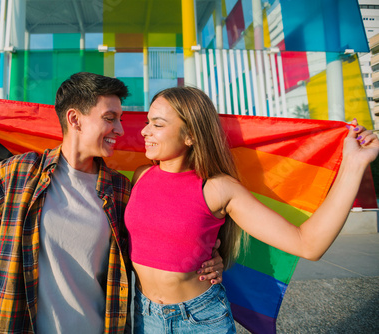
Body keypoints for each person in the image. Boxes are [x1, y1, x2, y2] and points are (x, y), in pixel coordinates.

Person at [0, 73, 224, 333]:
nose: (120, 130)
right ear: (74, 119)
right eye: (110, 118)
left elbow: (162, 240)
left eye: (119, 118)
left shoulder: (120, 189)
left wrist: (210, 255)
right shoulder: (21, 174)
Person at [124, 86, 379, 333]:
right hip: (145, 317)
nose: (145, 131)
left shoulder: (218, 189)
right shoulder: (140, 176)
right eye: (147, 122)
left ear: (191, 135)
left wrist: (354, 165)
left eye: (157, 124)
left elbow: (308, 244)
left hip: (200, 320)